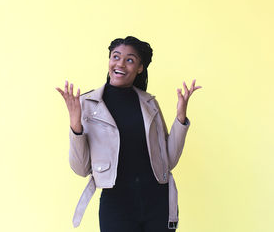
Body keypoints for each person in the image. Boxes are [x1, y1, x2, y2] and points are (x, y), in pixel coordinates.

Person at [56, 36, 202, 232]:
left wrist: (181, 118)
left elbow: (169, 160)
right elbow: (81, 169)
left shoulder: (149, 103)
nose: (120, 64)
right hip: (117, 205)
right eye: (115, 57)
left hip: (158, 202)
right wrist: (76, 125)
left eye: (130, 60)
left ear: (140, 68)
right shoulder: (87, 105)